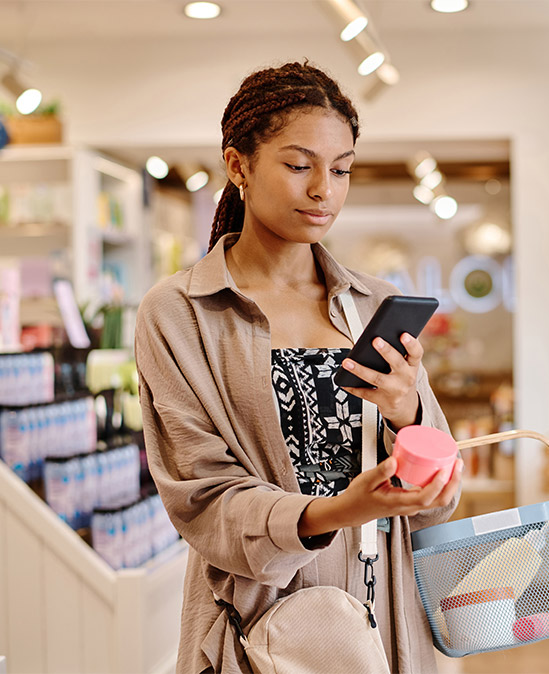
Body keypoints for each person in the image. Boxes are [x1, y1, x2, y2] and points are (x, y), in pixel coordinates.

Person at [135, 61, 463, 674]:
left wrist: (408, 413)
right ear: (238, 165)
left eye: (341, 170)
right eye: (298, 165)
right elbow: (203, 501)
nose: (323, 190)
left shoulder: (372, 305)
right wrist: (342, 510)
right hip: (255, 620)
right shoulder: (179, 313)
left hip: (382, 614)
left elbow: (438, 502)